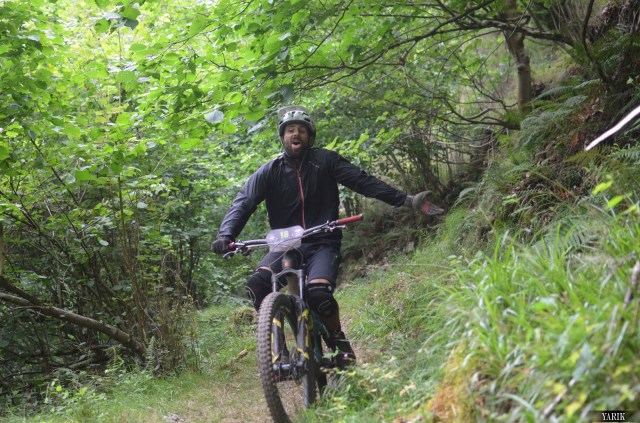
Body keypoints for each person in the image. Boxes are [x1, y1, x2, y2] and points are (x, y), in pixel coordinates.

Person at [211, 105, 443, 367]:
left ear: (310, 137)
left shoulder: (325, 160)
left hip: (322, 240)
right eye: (290, 130)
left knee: (319, 295)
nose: (295, 134)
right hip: (285, 245)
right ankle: (278, 347)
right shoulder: (269, 171)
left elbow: (363, 181)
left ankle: (337, 341)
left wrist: (406, 200)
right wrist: (226, 235)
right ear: (282, 137)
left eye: (301, 130)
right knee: (256, 286)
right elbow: (243, 203)